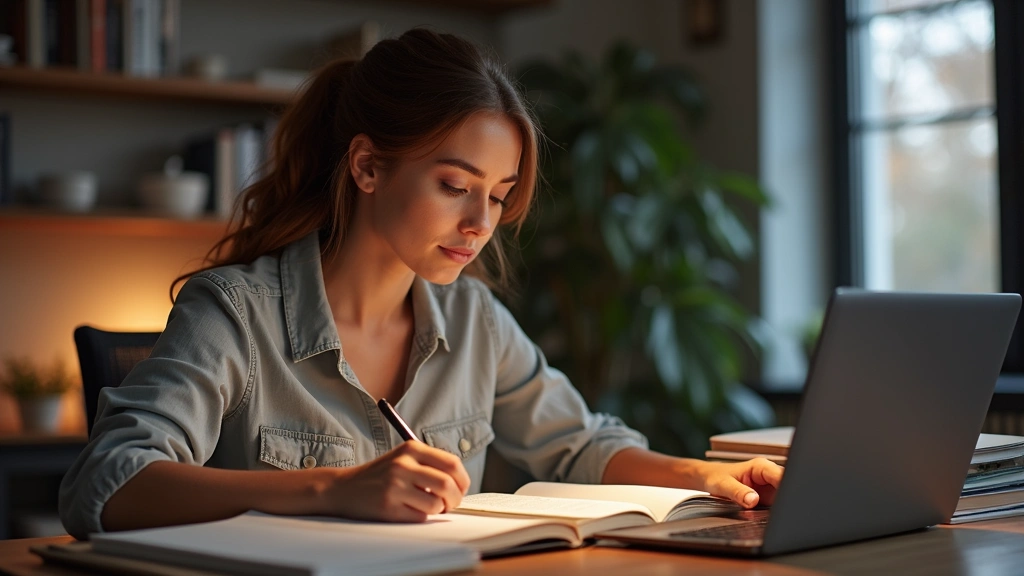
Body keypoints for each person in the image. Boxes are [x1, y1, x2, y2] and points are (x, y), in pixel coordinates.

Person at [59, 29, 782, 539]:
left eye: (498, 196)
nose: (480, 222)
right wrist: (335, 489)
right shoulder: (237, 314)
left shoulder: (472, 319)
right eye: (454, 185)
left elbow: (579, 446)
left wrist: (702, 474)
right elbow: (108, 482)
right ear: (368, 167)